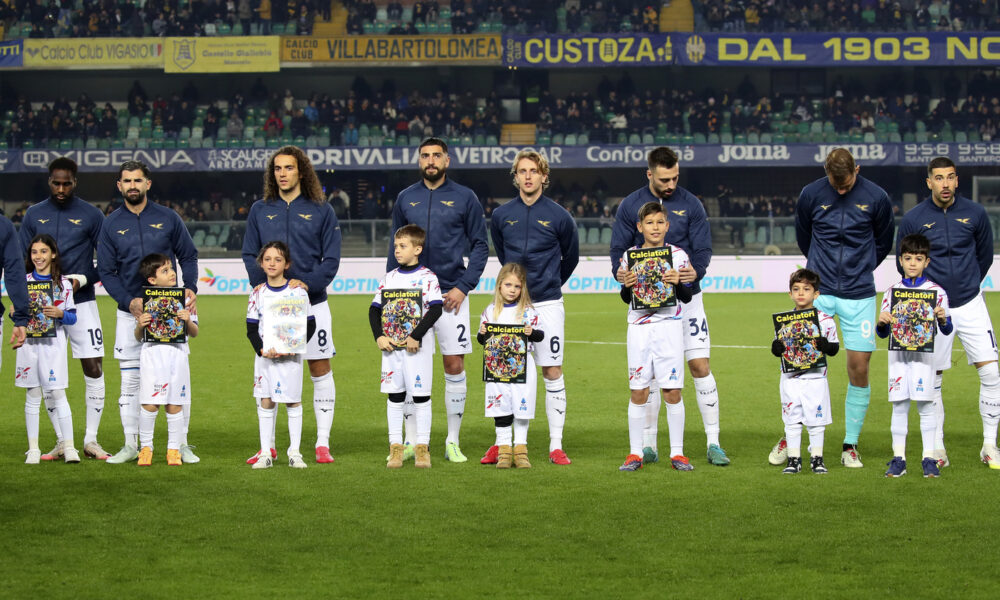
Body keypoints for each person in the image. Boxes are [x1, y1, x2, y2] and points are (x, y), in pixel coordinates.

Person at [610, 147, 730, 467]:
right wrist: (621, 275)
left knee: (699, 366)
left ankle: (713, 442)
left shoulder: (691, 204)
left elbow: (702, 248)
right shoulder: (630, 206)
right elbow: (619, 252)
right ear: (649, 174)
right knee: (646, 378)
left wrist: (694, 274)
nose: (671, 184)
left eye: (676, 177)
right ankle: (647, 446)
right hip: (645, 304)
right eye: (664, 179)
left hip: (686, 296)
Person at [780, 147, 894, 468]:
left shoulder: (877, 197)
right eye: (836, 184)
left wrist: (862, 267)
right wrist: (818, 274)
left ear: (857, 169)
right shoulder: (811, 194)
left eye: (846, 184)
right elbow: (805, 235)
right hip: (821, 293)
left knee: (859, 367)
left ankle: (850, 445)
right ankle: (792, 438)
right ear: (826, 172)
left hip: (859, 293)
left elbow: (884, 240)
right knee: (803, 365)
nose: (841, 190)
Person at [387, 137, 489, 463]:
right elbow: (395, 248)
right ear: (420, 161)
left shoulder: (465, 197)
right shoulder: (406, 198)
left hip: (450, 296)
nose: (430, 161)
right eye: (425, 156)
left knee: (453, 364)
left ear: (447, 160)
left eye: (436, 156)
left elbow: (480, 246)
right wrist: (392, 297)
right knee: (407, 367)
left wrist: (463, 287)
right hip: (410, 298)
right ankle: (412, 440)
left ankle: (452, 441)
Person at [895, 156, 999, 469]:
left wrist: (964, 286)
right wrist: (935, 295)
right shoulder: (914, 218)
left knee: (992, 372)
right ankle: (937, 448)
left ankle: (990, 445)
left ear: (957, 180)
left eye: (950, 177)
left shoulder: (975, 213)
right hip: (931, 309)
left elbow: (984, 256)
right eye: (938, 178)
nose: (945, 183)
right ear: (929, 182)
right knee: (933, 378)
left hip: (969, 303)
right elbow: (905, 259)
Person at [242, 146, 341, 465]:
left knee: (319, 367)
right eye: (277, 169)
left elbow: (332, 259)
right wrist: (263, 282)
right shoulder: (260, 209)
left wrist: (308, 284)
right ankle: (267, 446)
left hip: (312, 305)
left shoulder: (321, 209)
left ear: (302, 172)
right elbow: (248, 254)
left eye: (289, 168)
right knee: (268, 369)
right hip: (271, 309)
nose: (282, 173)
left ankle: (322, 443)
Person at [98, 160, 199, 465]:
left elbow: (189, 254)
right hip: (131, 313)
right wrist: (129, 301)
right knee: (130, 381)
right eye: (126, 181)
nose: (132, 185)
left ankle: (179, 445)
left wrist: (190, 287)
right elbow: (106, 270)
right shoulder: (111, 223)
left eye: (137, 180)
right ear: (119, 186)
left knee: (178, 380)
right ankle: (132, 445)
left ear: (147, 184)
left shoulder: (168, 218)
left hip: (169, 313)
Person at [487, 150, 579, 465]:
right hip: (511, 307)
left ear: (544, 176)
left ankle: (555, 444)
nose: (528, 176)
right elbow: (503, 257)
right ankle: (503, 443)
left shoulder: (560, 216)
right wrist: (517, 292)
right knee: (506, 373)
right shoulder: (501, 216)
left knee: (552, 370)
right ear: (515, 176)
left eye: (534, 171)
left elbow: (572, 258)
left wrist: (548, 283)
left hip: (548, 303)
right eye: (522, 171)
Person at [20, 157, 109, 461]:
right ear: (49, 181)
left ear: (75, 182)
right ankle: (61, 441)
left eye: (66, 183)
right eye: (56, 183)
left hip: (81, 303)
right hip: (44, 309)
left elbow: (108, 262)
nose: (61, 188)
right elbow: (22, 261)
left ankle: (91, 440)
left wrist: (83, 278)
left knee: (94, 367)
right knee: (47, 375)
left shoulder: (91, 215)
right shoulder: (34, 214)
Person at [617, 202, 695, 472]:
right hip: (639, 328)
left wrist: (678, 282)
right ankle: (635, 453)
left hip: (669, 326)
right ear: (640, 227)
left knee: (672, 390)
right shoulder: (630, 256)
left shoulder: (678, 255)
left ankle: (678, 453)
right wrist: (626, 286)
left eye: (660, 222)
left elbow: (687, 296)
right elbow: (627, 298)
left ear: (667, 226)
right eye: (649, 223)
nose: (655, 227)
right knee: (638, 389)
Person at [876, 234, 952, 478]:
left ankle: (929, 458)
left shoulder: (936, 292)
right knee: (899, 406)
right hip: (898, 360)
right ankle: (899, 459)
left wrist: (942, 318)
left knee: (927, 406)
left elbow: (948, 329)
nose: (912, 263)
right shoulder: (892, 292)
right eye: (908, 258)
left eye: (918, 259)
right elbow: (882, 332)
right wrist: (882, 322)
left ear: (926, 262)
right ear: (900, 260)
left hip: (924, 360)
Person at [371, 225, 443, 469]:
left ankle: (422, 448)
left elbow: (435, 308)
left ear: (417, 249)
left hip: (417, 349)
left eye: (403, 246)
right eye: (396, 246)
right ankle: (396, 448)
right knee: (395, 396)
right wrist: (379, 336)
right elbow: (374, 309)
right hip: (392, 349)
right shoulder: (389, 278)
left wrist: (416, 335)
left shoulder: (428, 277)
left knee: (421, 397)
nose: (397, 250)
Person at [246, 241, 315, 470]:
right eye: (267, 259)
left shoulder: (297, 291)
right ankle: (266, 453)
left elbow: (310, 324)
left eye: (277, 259)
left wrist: (294, 346)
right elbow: (250, 328)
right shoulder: (257, 293)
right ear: (261, 263)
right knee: (266, 401)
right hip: (265, 358)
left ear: (287, 264)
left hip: (290, 357)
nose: (272, 263)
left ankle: (294, 452)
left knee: (293, 401)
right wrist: (262, 349)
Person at [770, 269, 839, 475]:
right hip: (790, 380)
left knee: (816, 422)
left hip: (816, 379)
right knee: (792, 420)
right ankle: (794, 459)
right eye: (796, 289)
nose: (801, 293)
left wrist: (825, 345)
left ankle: (817, 459)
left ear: (816, 294)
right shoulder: (784, 321)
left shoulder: (825, 321)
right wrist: (776, 349)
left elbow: (834, 348)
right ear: (790, 294)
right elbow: (779, 347)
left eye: (806, 289)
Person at [134, 253, 199, 467]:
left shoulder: (185, 299)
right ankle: (146, 448)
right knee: (150, 403)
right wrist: (140, 325)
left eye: (172, 269)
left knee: (174, 404)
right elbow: (137, 337)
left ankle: (173, 449)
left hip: (177, 356)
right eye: (165, 271)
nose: (172, 273)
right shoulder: (145, 301)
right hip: (152, 356)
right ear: (152, 280)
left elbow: (195, 332)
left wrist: (188, 321)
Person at [477, 263, 545, 469]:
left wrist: (530, 332)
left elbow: (540, 335)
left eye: (517, 286)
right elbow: (482, 340)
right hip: (496, 368)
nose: (512, 290)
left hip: (523, 367)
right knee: (501, 407)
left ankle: (521, 451)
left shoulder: (527, 311)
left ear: (522, 288)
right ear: (499, 286)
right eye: (508, 285)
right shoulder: (490, 311)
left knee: (522, 408)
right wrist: (482, 333)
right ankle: (504, 451)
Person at [19, 234, 79, 464]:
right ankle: (33, 449)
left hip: (53, 346)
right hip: (29, 344)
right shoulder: (22, 282)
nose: (39, 257)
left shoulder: (63, 284)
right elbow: (14, 313)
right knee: (33, 393)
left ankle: (70, 446)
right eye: (34, 252)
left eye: (43, 251)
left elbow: (73, 318)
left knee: (57, 393)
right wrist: (17, 312)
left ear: (53, 254)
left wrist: (60, 313)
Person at [1, 214, 30, 371]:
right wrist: (21, 318)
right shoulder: (4, 225)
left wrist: (21, 317)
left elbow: (15, 273)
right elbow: (14, 273)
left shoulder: (3, 226)